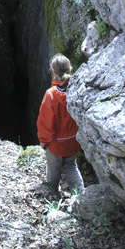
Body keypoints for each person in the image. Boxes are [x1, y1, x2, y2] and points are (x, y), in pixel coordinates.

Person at [36, 53, 84, 199]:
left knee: (54, 170)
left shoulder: (51, 95)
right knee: (71, 167)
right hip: (73, 141)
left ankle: (53, 197)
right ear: (69, 69)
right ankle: (82, 196)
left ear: (53, 72)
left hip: (56, 144)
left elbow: (45, 122)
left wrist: (44, 142)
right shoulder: (77, 91)